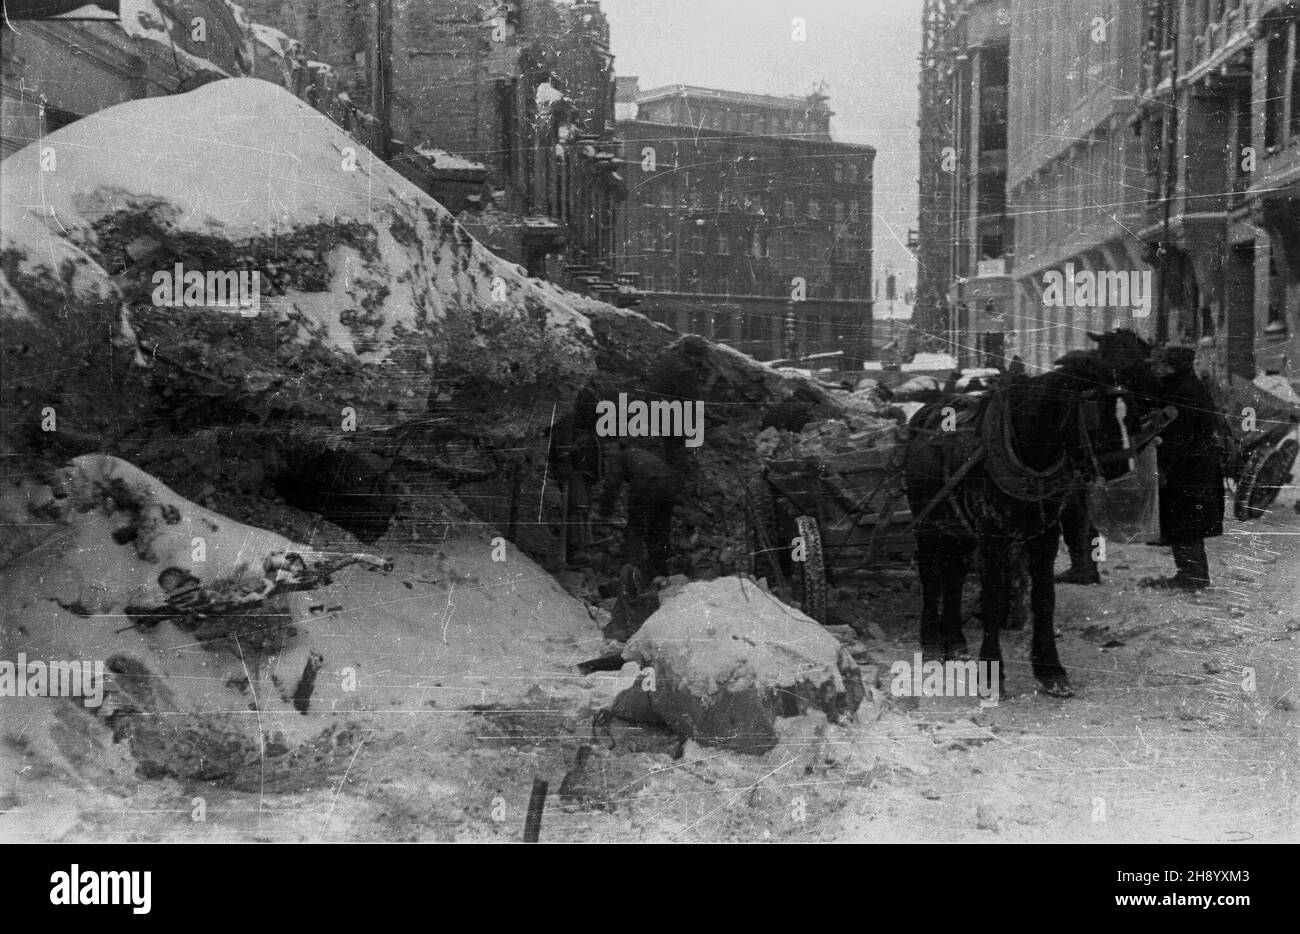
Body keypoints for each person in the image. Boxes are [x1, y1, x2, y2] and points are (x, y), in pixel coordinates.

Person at [1143, 346, 1225, 590]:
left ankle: (1192, 576)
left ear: (1172, 365)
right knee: (1187, 523)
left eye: (1161, 364)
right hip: (1195, 467)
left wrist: (1164, 468)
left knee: (1186, 522)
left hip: (1189, 470)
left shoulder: (1184, 392)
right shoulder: (1186, 388)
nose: (1156, 369)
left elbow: (1179, 437)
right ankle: (1192, 573)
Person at [594, 443, 682, 578]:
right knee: (660, 528)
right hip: (669, 483)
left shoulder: (620, 457)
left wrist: (604, 513)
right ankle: (660, 571)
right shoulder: (639, 453)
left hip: (647, 483)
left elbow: (612, 485)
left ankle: (632, 569)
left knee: (635, 526)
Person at [645, 334, 719, 473]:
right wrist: (708, 384)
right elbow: (692, 399)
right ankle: (677, 479)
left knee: (671, 445)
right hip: (668, 414)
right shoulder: (684, 370)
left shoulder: (670, 358)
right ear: (696, 355)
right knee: (675, 448)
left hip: (654, 407)